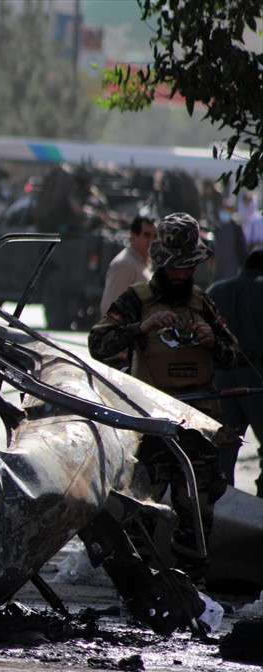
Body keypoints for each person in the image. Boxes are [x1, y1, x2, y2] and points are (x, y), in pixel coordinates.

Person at [88, 212, 239, 585]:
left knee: (198, 516)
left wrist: (213, 341)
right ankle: (142, 585)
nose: (181, 275)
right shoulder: (137, 300)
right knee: (139, 511)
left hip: (195, 426)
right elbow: (97, 344)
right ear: (159, 261)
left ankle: (192, 588)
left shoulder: (203, 303)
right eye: (175, 267)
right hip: (151, 424)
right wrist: (140, 328)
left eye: (188, 267)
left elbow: (233, 356)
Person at [206, 249, 263, 497]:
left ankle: (223, 508)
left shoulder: (216, 290)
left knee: (224, 451)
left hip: (222, 380)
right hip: (257, 380)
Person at [100, 215, 156, 318]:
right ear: (134, 236)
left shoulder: (143, 262)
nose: (151, 241)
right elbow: (110, 309)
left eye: (155, 236)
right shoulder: (125, 264)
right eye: (146, 235)